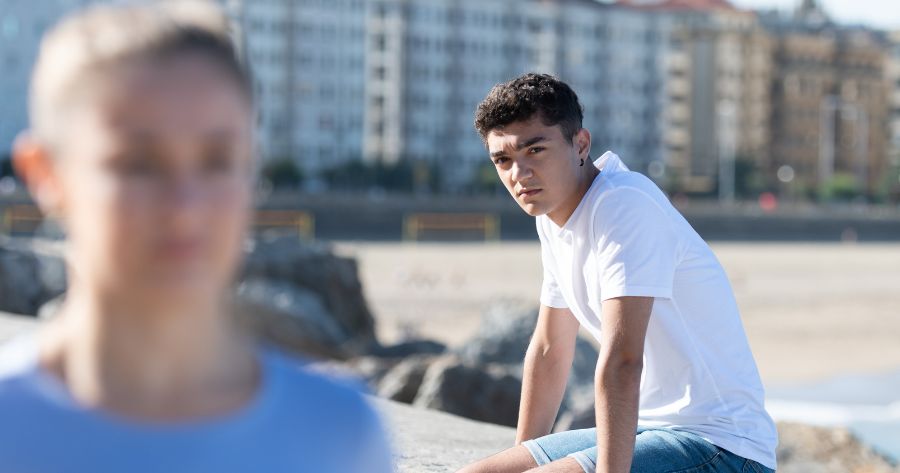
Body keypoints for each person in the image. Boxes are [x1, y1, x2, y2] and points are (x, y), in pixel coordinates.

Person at [0, 2, 393, 472]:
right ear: (44, 172)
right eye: (138, 164)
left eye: (217, 161)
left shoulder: (339, 433)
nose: (185, 207)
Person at [459, 73, 777, 473]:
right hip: (648, 430)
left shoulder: (623, 204)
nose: (519, 174)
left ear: (580, 144)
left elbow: (623, 361)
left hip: (722, 446)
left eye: (535, 150)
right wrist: (524, 457)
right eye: (503, 160)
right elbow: (550, 348)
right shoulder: (553, 218)